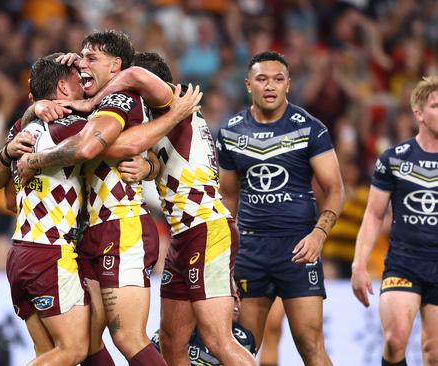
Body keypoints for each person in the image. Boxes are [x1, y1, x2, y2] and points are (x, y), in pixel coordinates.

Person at [16, 30, 175, 365]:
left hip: (121, 225)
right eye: (81, 58)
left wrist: (34, 159)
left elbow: (91, 147)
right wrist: (39, 106)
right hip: (89, 233)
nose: (82, 64)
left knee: (128, 337)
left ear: (116, 65)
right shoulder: (92, 104)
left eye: (92, 58)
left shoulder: (120, 98)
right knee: (87, 343)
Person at [107, 52, 254, 365]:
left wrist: (92, 100)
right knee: (172, 340)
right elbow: (164, 163)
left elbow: (135, 79)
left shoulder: (171, 103)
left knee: (218, 340)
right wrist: (146, 168)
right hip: (184, 235)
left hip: (206, 229)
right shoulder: (169, 118)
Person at [216, 51, 344, 366]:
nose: (270, 86)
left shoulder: (310, 128)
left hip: (298, 248)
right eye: (262, 79)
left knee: (310, 347)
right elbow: (228, 197)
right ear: (248, 84)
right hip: (250, 250)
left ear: (288, 84)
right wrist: (225, 253)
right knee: (241, 348)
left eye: (278, 79)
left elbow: (335, 189)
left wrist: (318, 235)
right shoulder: (230, 131)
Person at [0, 53, 91, 365]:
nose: (84, 86)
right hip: (49, 251)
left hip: (20, 251)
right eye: (78, 81)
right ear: (62, 87)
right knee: (74, 350)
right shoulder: (70, 126)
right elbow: (101, 130)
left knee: (48, 356)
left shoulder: (25, 128)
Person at [351, 75, 438, 366]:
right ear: (419, 114)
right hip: (404, 262)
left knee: (433, 352)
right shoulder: (394, 159)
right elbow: (374, 215)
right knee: (394, 341)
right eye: (436, 106)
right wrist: (359, 264)